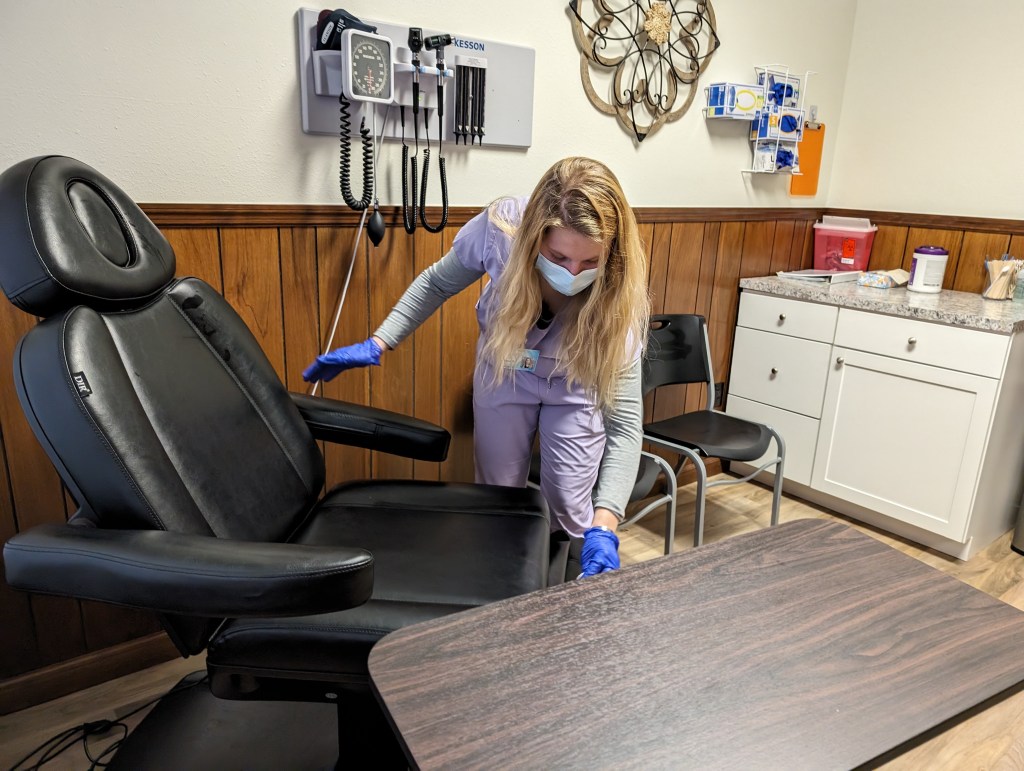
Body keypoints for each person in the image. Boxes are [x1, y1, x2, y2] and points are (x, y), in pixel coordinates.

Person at [303, 157, 650, 578]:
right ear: (532, 236)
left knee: (571, 506)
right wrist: (380, 339)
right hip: (505, 369)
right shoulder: (502, 229)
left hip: (575, 382)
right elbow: (437, 282)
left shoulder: (620, 299)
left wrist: (607, 521)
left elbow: (626, 425)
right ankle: (496, 593)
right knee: (497, 496)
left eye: (589, 262)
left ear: (610, 255)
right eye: (558, 256)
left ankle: (563, 598)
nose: (572, 273)